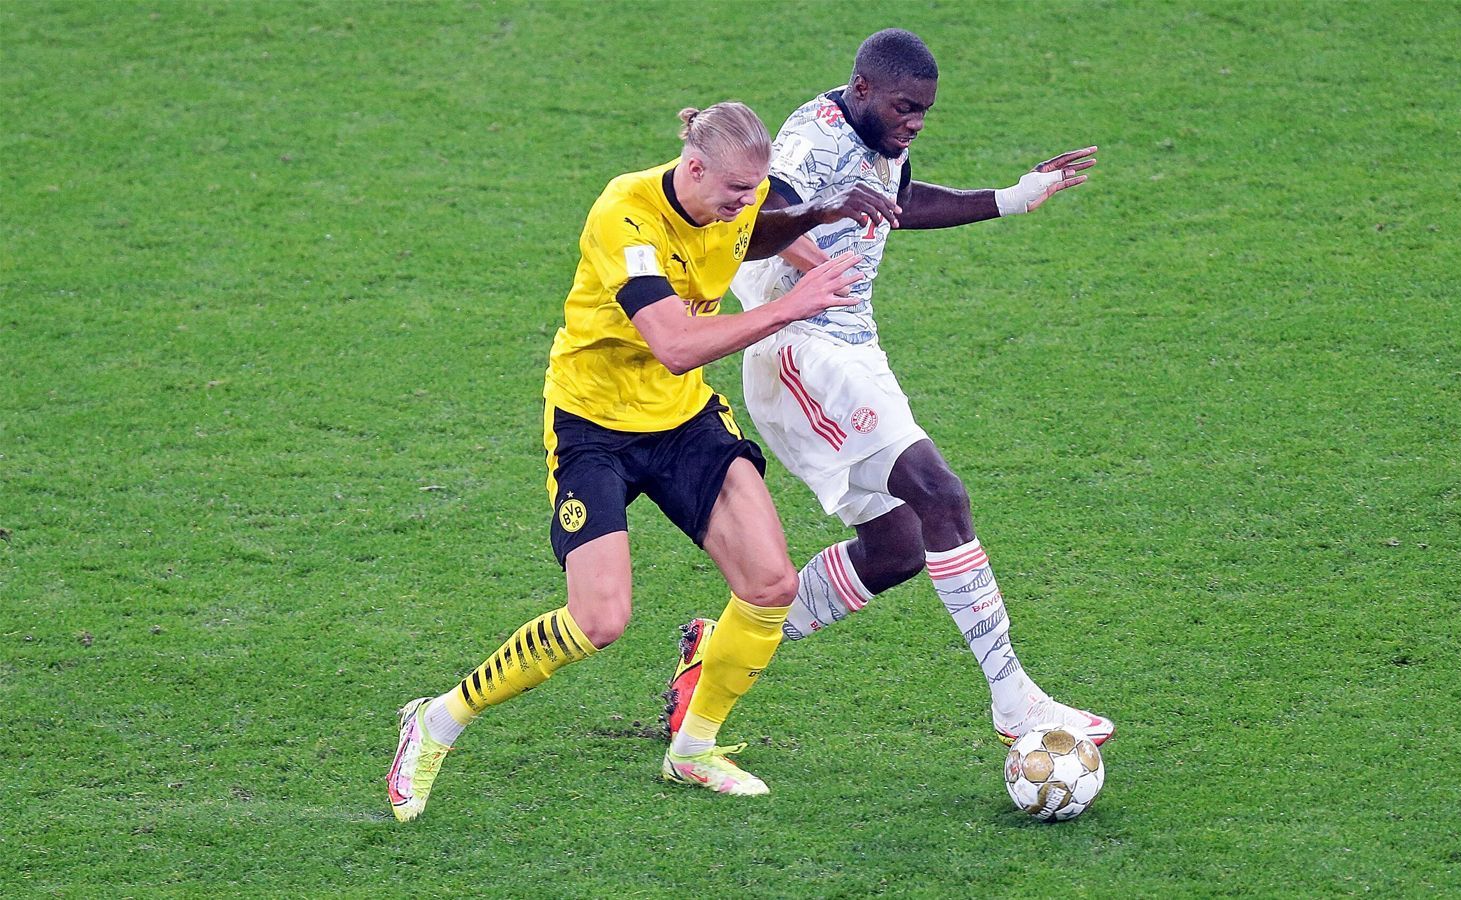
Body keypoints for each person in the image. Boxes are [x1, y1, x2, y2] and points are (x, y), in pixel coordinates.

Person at [387, 101, 898, 821]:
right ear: (692, 168)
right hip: (594, 425)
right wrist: (789, 307)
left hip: (682, 418)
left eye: (754, 193)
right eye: (733, 193)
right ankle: (437, 719)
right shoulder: (623, 216)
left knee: (771, 582)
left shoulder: (731, 205)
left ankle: (692, 751)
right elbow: (674, 342)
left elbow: (756, 232)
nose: (743, 208)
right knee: (598, 620)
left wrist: (811, 236)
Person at [663, 30, 1115, 749]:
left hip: (850, 348)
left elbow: (897, 200)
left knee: (900, 545)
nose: (915, 123)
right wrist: (819, 211)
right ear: (864, 88)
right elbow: (749, 231)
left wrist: (1013, 197)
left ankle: (714, 655)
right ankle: (1014, 702)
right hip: (798, 349)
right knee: (942, 494)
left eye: (925, 113)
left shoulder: (878, 139)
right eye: (906, 108)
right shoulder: (813, 143)